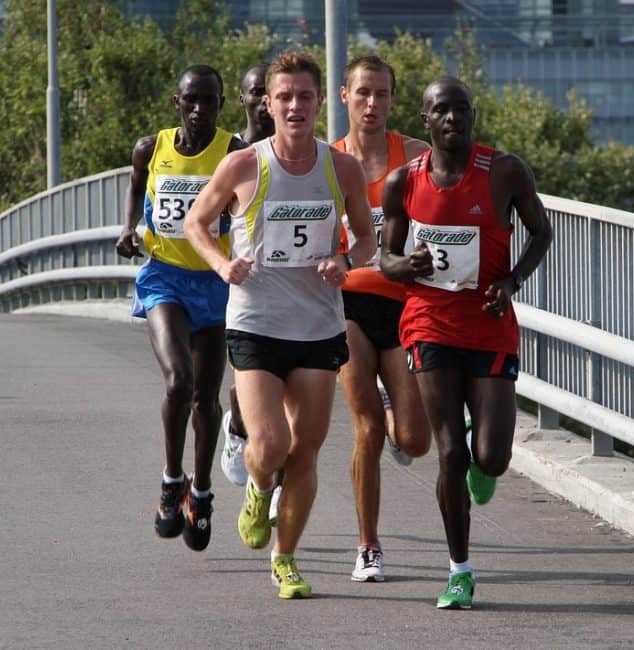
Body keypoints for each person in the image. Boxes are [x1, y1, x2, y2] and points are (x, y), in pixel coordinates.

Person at [185, 51, 376, 599]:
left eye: (305, 97)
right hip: (256, 322)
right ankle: (256, 489)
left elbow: (366, 237)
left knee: (305, 453)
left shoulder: (340, 168)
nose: (295, 106)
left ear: (320, 103)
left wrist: (347, 261)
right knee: (270, 446)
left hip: (318, 325)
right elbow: (198, 223)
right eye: (284, 97)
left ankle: (285, 559)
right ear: (267, 105)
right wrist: (223, 265)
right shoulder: (245, 164)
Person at [380, 75, 553, 609]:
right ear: (425, 120)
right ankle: (459, 570)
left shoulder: (503, 171)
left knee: (493, 458)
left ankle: (486, 449)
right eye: (441, 111)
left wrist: (512, 280)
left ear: (472, 115)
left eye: (461, 110)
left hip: (489, 321)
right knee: (450, 452)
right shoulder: (402, 182)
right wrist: (405, 266)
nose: (452, 118)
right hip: (429, 322)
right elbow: (384, 259)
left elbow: (542, 232)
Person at [115, 65, 247, 551]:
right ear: (178, 102)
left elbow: (254, 201)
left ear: (219, 105)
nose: (199, 110)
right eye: (191, 100)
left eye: (208, 101)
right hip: (164, 277)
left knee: (207, 399)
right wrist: (128, 228)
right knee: (179, 381)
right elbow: (135, 186)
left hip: (213, 282)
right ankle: (172, 480)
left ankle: (203, 490)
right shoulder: (152, 148)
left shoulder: (233, 152)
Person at [331, 54, 432, 583]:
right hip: (345, 304)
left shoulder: (415, 157)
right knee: (367, 429)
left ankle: (396, 405)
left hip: (402, 305)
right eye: (362, 93)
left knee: (414, 441)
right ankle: (368, 546)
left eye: (382, 94)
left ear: (393, 100)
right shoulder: (326, 161)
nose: (372, 104)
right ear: (344, 96)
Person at [219, 63, 275, 489]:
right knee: (245, 381)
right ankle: (236, 428)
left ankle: (275, 487)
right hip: (228, 279)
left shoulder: (297, 148)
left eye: (267, 92)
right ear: (244, 99)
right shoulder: (230, 152)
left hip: (282, 284)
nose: (262, 101)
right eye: (254, 92)